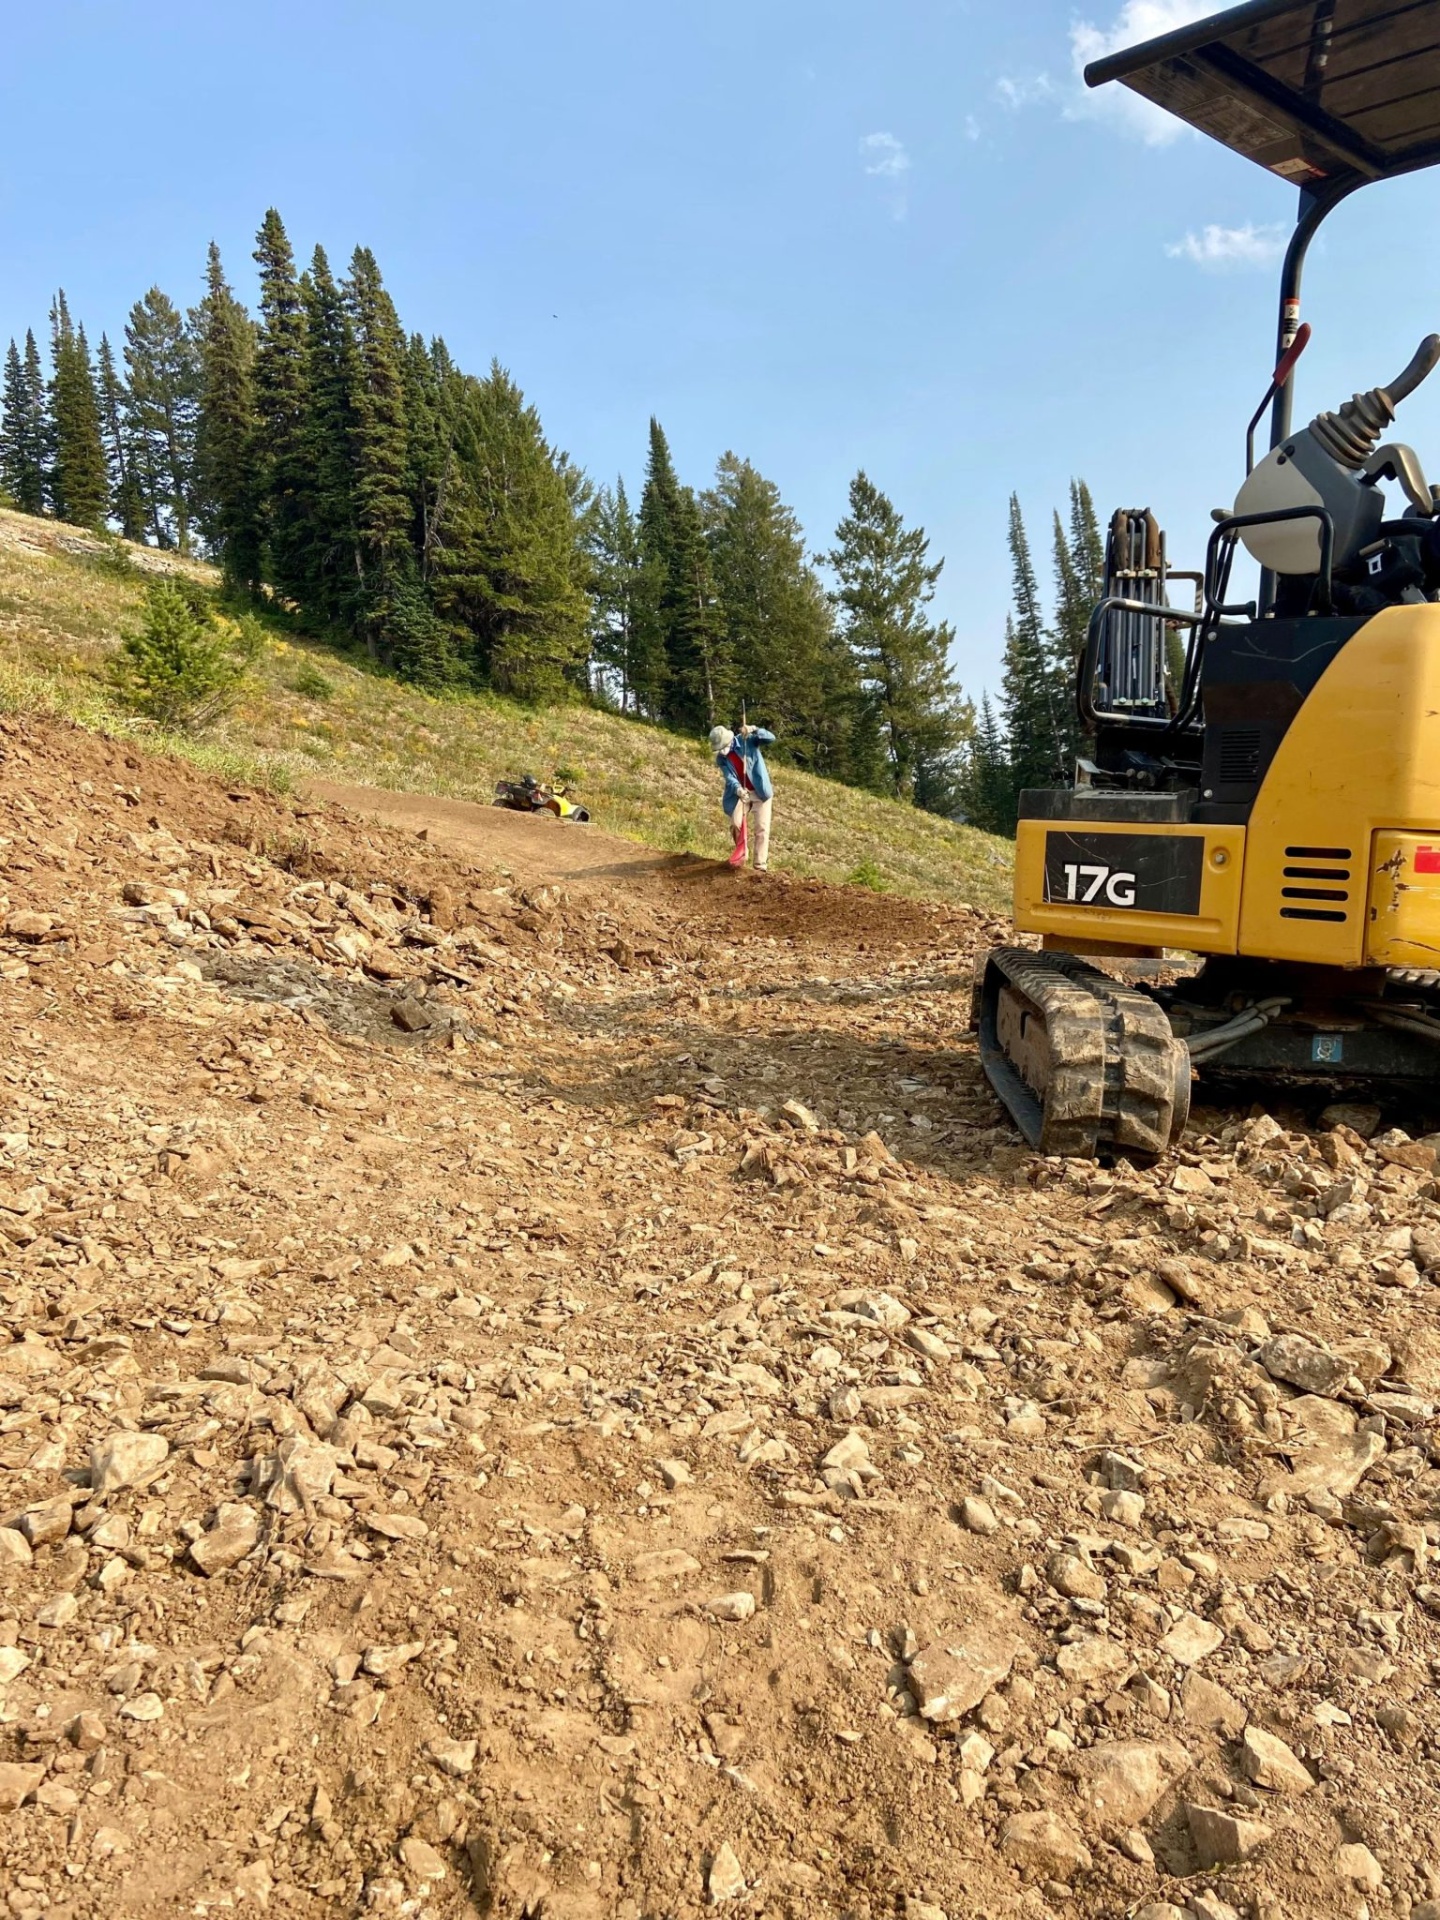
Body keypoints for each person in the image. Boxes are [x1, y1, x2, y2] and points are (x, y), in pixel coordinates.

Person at [709, 722, 775, 873]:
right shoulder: (721, 759)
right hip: (742, 792)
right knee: (735, 823)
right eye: (718, 749)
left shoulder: (747, 740)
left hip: (760, 792)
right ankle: (742, 852)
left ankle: (760, 866)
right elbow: (729, 777)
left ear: (728, 740)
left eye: (722, 747)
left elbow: (771, 738)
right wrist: (738, 789)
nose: (721, 751)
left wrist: (755, 730)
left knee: (762, 829)